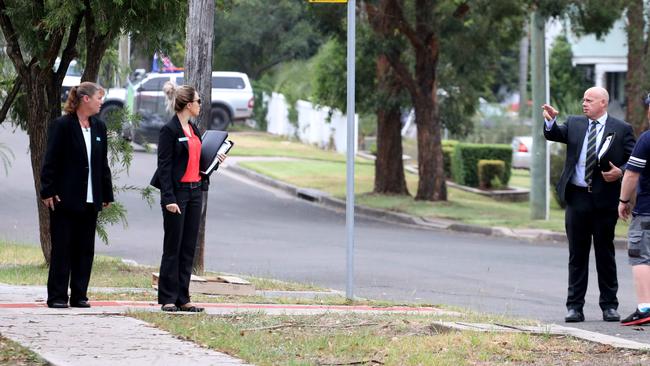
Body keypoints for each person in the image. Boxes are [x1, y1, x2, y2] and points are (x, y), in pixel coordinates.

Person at [542, 86, 635, 323]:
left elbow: (633, 162)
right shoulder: (574, 123)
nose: (584, 104)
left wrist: (620, 172)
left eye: (589, 100)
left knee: (605, 252)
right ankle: (574, 306)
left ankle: (609, 306)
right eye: (583, 99)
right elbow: (554, 135)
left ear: (603, 103)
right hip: (577, 198)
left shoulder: (621, 129)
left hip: (605, 199)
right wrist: (551, 122)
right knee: (577, 254)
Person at [150, 82, 225, 312]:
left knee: (188, 247)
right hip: (177, 193)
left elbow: (197, 162)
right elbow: (164, 167)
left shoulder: (194, 129)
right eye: (198, 101)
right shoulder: (169, 130)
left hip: (194, 192)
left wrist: (215, 162)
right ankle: (168, 298)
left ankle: (184, 297)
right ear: (188, 104)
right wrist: (169, 198)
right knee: (173, 245)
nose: (201, 105)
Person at [40, 82, 114, 309]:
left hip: (91, 198)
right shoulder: (62, 125)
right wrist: (48, 190)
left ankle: (80, 294)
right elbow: (50, 160)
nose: (101, 102)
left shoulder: (99, 127)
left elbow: (102, 164)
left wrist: (106, 193)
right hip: (66, 197)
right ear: (85, 99)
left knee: (85, 249)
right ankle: (57, 296)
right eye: (98, 98)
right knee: (63, 248)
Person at [618, 94, 650, 326]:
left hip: (647, 211)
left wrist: (623, 200)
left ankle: (645, 308)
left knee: (640, 257)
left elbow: (631, 174)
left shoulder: (646, 140)